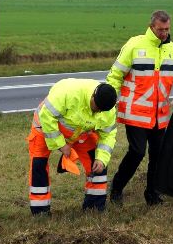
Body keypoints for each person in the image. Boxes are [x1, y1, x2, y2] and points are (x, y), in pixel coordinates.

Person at [106, 10, 173, 206]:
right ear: (151, 27)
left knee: (158, 155)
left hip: (160, 114)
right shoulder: (134, 44)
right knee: (138, 152)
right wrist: (109, 100)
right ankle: (116, 187)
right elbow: (115, 75)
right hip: (135, 112)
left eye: (167, 29)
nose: (164, 33)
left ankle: (152, 194)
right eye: (160, 30)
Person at [27, 78, 118, 215]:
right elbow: (47, 116)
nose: (98, 112)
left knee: (97, 164)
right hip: (45, 128)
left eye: (101, 110)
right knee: (38, 166)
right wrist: (61, 145)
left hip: (80, 133)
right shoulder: (68, 92)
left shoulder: (107, 110)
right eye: (96, 107)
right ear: (93, 95)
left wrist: (102, 159)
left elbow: (108, 135)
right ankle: (40, 212)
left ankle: (94, 207)